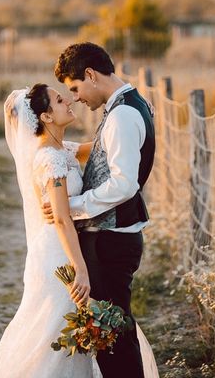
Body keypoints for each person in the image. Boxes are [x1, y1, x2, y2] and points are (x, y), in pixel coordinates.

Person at [0, 80, 158, 377]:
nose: (68, 101)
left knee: (69, 325)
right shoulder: (50, 158)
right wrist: (80, 270)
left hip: (68, 245)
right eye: (58, 100)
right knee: (53, 327)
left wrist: (139, 117)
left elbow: (104, 145)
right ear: (46, 117)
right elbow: (61, 218)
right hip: (60, 252)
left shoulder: (62, 150)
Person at [45, 42, 157, 378]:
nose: (76, 97)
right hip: (113, 237)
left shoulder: (123, 113)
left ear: (91, 75)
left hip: (111, 241)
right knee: (112, 333)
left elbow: (124, 184)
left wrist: (73, 206)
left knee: (112, 337)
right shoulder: (127, 105)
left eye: (76, 87)